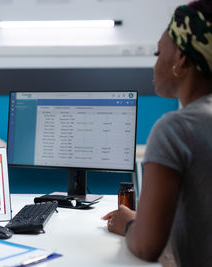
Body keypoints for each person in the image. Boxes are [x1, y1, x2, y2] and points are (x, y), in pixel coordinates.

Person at [102, 1, 212, 266]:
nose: (154, 64)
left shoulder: (175, 129)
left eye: (158, 52)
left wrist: (130, 224)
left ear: (180, 60)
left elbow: (147, 246)